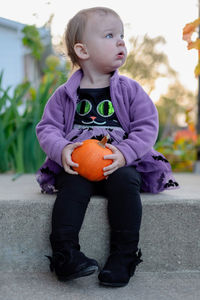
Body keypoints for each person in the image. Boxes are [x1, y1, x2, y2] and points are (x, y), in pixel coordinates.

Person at [36, 7, 179, 287]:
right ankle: (66, 254)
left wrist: (125, 153)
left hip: (119, 163)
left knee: (126, 183)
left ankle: (124, 256)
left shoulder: (130, 89)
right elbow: (48, 128)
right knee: (72, 188)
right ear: (83, 50)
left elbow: (146, 125)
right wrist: (62, 148)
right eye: (110, 35)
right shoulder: (64, 94)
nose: (121, 41)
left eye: (122, 35)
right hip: (79, 164)